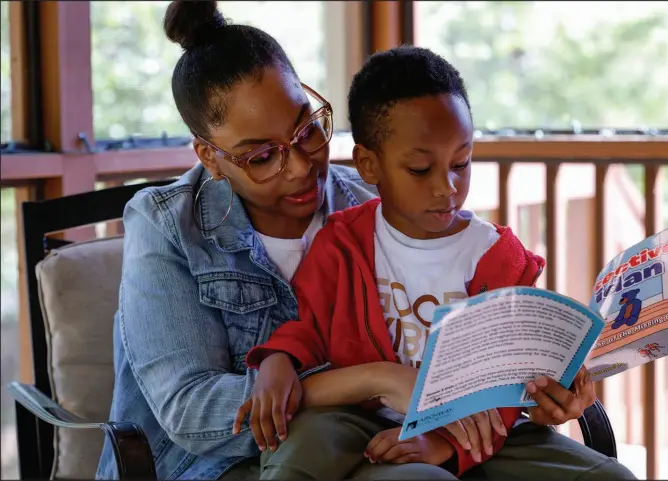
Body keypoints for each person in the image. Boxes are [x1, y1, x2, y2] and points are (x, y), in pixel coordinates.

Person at [96, 2, 477, 480]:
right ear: (209, 157)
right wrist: (375, 379)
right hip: (216, 464)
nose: (300, 166)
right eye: (261, 156)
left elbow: (456, 321)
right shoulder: (168, 225)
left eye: (307, 129)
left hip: (366, 441)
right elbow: (192, 413)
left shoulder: (371, 201)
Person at [237, 46, 637, 481]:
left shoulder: (498, 257)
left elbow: (510, 379)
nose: (447, 187)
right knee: (301, 450)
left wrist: (453, 441)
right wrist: (277, 358)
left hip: (479, 430)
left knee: (611, 477)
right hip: (360, 417)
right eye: (421, 169)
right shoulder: (341, 244)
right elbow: (308, 330)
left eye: (461, 163)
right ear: (369, 165)